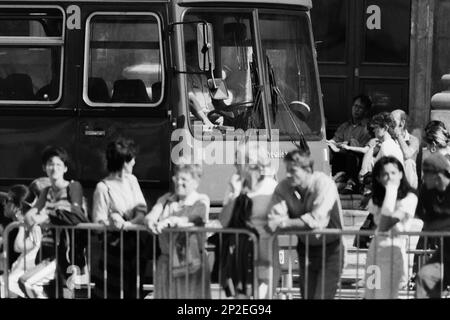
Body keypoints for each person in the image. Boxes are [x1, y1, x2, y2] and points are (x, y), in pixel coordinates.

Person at [268, 148, 345, 299]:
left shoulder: (324, 184)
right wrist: (286, 223)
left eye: (293, 171)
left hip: (331, 250)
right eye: (287, 170)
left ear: (308, 170)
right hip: (306, 249)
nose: (288, 175)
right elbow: (274, 219)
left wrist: (285, 224)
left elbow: (317, 220)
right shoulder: (284, 187)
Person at [217, 142, 280, 299]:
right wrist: (235, 195)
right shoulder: (234, 185)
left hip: (265, 258)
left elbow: (280, 218)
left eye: (238, 161)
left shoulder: (271, 187)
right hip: (238, 258)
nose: (234, 165)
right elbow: (223, 221)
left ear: (251, 164)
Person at [21, 146, 85, 298]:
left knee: (27, 282)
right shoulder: (46, 191)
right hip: (48, 250)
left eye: (58, 164)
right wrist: (33, 220)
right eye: (50, 164)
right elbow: (31, 213)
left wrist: (46, 216)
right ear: (44, 167)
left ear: (65, 168)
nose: (54, 168)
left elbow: (74, 214)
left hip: (67, 252)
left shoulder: (73, 187)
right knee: (53, 292)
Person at [92, 137, 148, 299]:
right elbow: (98, 221)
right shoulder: (103, 188)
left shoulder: (132, 180)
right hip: (113, 251)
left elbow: (141, 210)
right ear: (124, 162)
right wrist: (111, 222)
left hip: (135, 247)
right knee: (113, 292)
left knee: (134, 290)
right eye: (131, 159)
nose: (134, 163)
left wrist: (128, 224)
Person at [145, 161, 211, 299]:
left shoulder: (201, 200)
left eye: (184, 179)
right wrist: (150, 222)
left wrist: (171, 221)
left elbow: (194, 218)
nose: (178, 182)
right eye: (176, 178)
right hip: (167, 263)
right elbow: (151, 215)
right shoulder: (165, 199)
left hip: (191, 263)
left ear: (195, 182)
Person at [363, 156, 417, 299]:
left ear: (400, 174)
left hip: (395, 251)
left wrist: (392, 190)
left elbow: (386, 224)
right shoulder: (375, 199)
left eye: (393, 173)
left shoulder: (409, 198)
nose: (390, 177)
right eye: (385, 174)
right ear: (379, 178)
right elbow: (378, 224)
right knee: (371, 294)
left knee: (389, 295)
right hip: (375, 252)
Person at [415, 153, 450, 298]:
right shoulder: (426, 191)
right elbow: (427, 225)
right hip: (447, 251)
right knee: (425, 277)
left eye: (426, 173)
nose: (423, 177)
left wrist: (440, 224)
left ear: (438, 175)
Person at [327, 94, 372, 193]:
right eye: (355, 106)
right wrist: (330, 143)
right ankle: (329, 177)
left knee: (352, 148)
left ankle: (352, 183)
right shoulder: (345, 126)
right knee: (328, 148)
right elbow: (334, 140)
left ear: (366, 111)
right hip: (341, 158)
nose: (356, 110)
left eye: (360, 107)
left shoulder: (368, 128)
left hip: (357, 161)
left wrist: (346, 145)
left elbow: (365, 149)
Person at [390, 109, 420, 189]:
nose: (390, 125)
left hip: (407, 180)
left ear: (402, 123)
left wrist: (398, 136)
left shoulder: (413, 140)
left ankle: (408, 194)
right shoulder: (389, 139)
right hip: (392, 176)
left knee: (409, 162)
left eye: (393, 121)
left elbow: (407, 155)